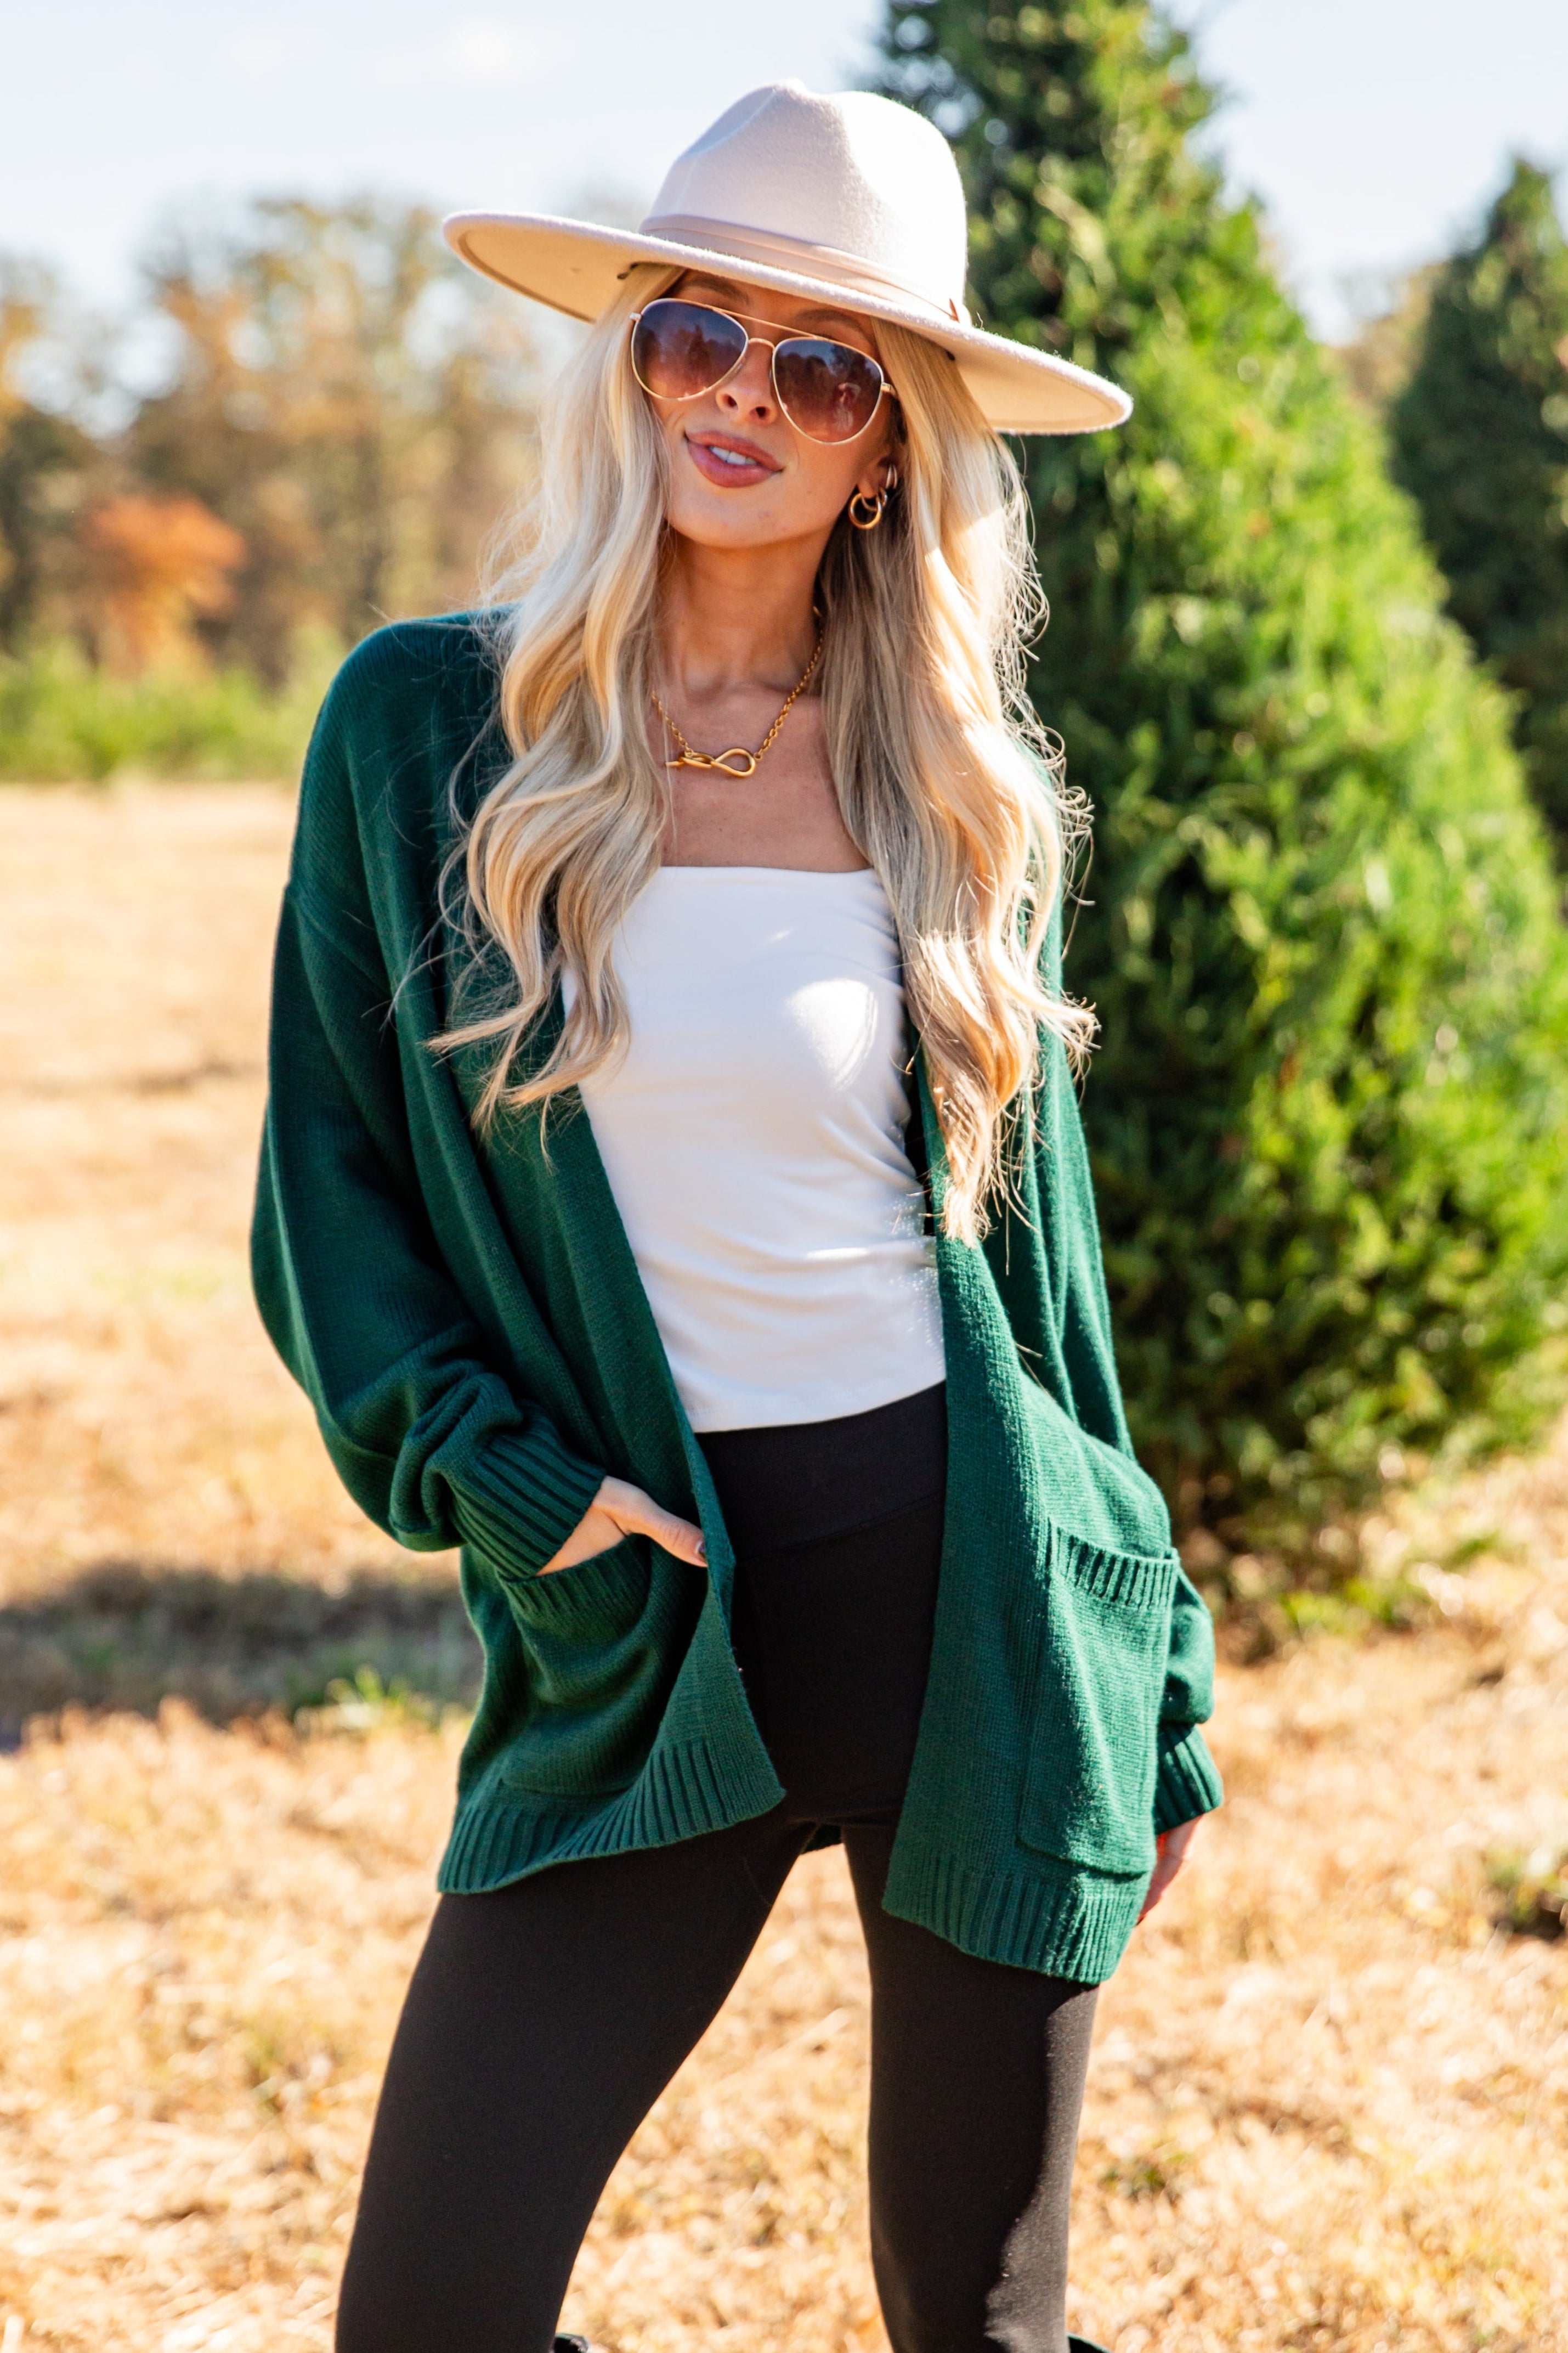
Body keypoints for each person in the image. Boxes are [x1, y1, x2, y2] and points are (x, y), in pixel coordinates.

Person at [252, 80, 1221, 2353]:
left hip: (975, 1592)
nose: (740, 396)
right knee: (431, 2313)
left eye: (819, 363)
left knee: (976, 2319)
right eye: (697, 330)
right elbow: (330, 1192)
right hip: (644, 1602)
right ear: (633, 356)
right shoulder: (428, 726)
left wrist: (1156, 1683)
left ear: (891, 438)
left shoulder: (949, 781)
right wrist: (495, 1476)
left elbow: (1043, 1295)